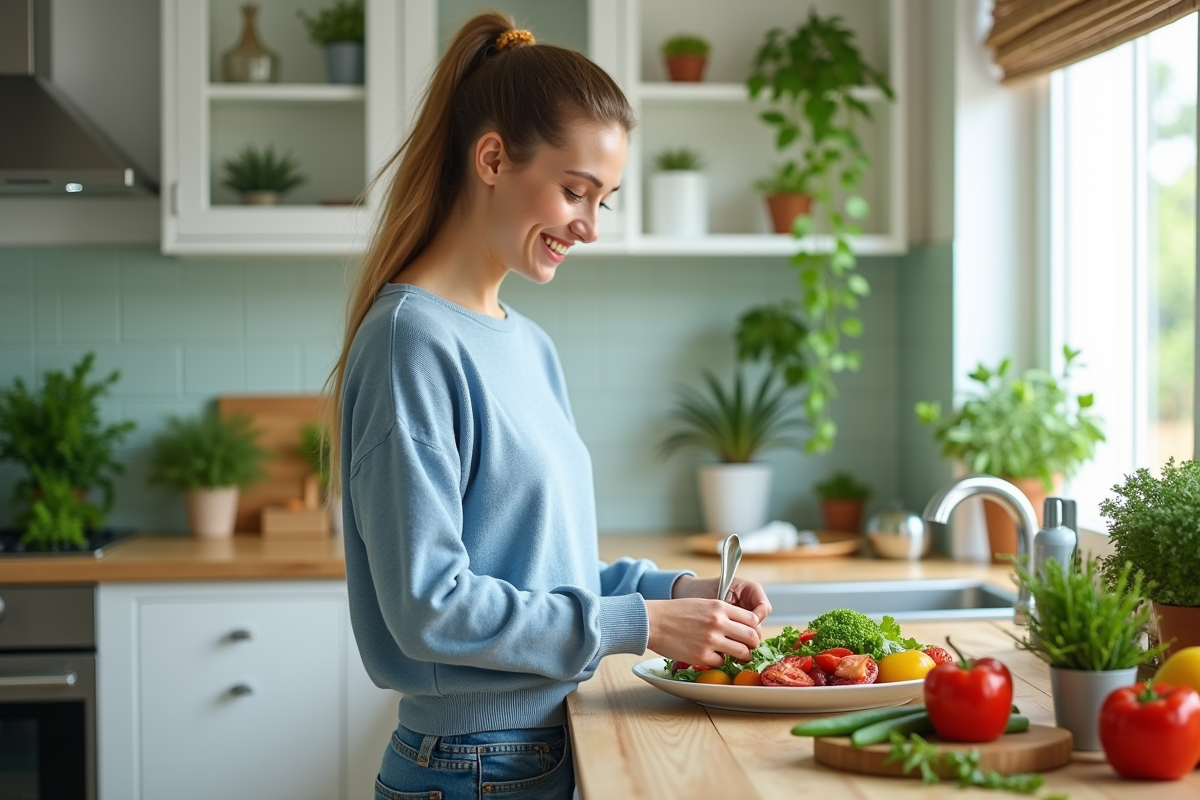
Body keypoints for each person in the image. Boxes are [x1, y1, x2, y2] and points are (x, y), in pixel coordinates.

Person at [328, 12, 773, 800]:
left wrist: (675, 594)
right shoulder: (410, 341)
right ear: (493, 158)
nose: (591, 227)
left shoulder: (527, 343)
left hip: (538, 748)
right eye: (576, 192)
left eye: (605, 201)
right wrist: (639, 625)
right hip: (470, 769)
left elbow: (541, 568)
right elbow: (429, 607)